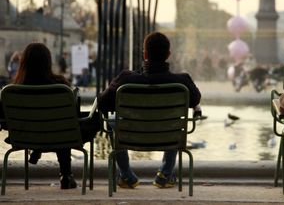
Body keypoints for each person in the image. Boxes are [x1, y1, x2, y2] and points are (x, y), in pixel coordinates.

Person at [98, 32, 201, 189]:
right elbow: (195, 100)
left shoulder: (125, 79)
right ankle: (165, 175)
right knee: (174, 122)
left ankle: (126, 175)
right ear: (168, 55)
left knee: (113, 122)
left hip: (131, 134)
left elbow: (103, 104)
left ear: (145, 54)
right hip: (167, 134)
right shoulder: (182, 81)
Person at [2, 43, 100, 189]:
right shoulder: (60, 85)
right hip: (60, 135)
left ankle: (37, 149)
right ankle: (66, 174)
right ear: (48, 62)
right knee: (63, 124)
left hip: (25, 137)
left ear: (23, 62)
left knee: (54, 124)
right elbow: (71, 116)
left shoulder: (12, 91)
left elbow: (3, 118)